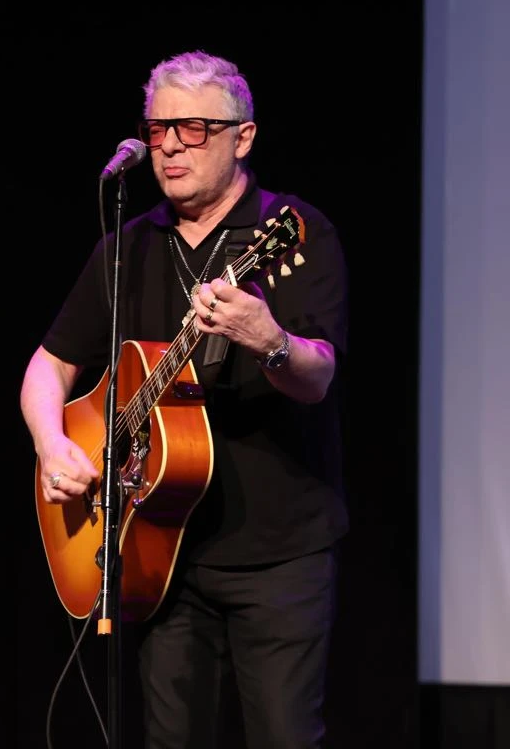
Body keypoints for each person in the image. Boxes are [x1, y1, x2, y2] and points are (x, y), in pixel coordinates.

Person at [20, 50, 348, 748]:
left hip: (278, 552)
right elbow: (46, 368)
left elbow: (318, 375)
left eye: (194, 128)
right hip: (154, 552)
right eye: (159, 127)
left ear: (244, 137)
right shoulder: (128, 246)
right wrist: (55, 445)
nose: (169, 144)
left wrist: (269, 339)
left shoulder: (291, 233)